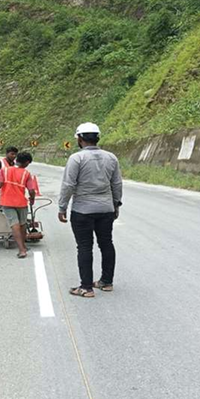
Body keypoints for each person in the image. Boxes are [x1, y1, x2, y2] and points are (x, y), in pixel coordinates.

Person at [58, 123, 123, 298]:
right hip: (106, 208)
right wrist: (116, 204)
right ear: (97, 138)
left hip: (82, 210)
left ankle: (86, 288)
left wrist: (62, 207)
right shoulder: (111, 158)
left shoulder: (76, 159)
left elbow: (68, 185)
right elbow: (116, 184)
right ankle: (106, 282)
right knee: (106, 243)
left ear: (79, 139)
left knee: (85, 247)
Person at [0, 151, 37, 259]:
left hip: (7, 202)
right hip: (21, 202)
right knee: (22, 224)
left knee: (14, 224)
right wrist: (32, 199)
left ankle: (21, 250)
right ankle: (23, 246)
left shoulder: (4, 170)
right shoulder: (26, 173)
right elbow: (31, 190)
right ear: (26, 162)